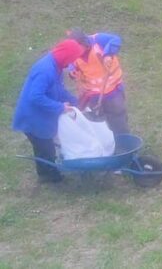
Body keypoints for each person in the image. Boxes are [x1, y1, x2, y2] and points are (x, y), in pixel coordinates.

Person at [12, 39, 85, 183]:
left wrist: (76, 102)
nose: (71, 63)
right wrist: (60, 107)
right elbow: (35, 96)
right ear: (66, 57)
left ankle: (44, 174)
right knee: (46, 147)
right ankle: (52, 177)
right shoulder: (45, 70)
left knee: (42, 146)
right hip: (32, 116)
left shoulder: (56, 65)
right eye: (71, 59)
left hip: (39, 114)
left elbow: (59, 89)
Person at [67, 30, 129, 135]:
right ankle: (106, 142)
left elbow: (116, 39)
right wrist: (72, 71)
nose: (76, 53)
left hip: (112, 90)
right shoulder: (74, 52)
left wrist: (108, 54)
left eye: (78, 49)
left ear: (84, 42)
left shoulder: (98, 40)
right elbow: (70, 64)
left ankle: (123, 141)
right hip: (93, 95)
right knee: (98, 122)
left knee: (118, 119)